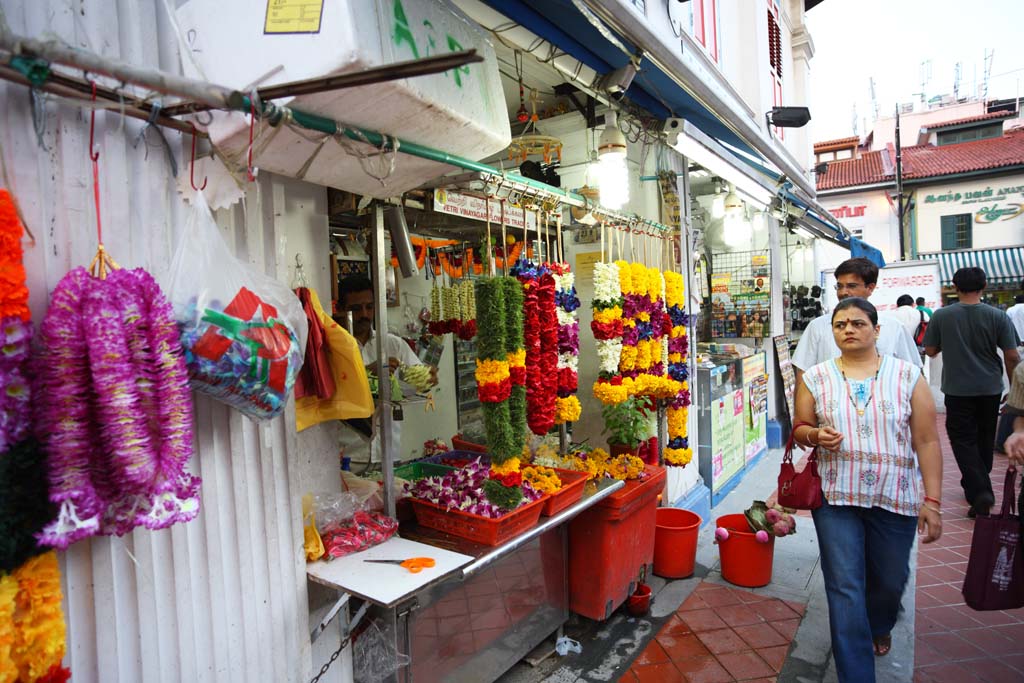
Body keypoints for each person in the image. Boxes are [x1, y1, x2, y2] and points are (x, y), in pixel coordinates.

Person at [794, 297, 942, 683]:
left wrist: (933, 500)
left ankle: (880, 623)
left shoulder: (908, 376)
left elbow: (926, 441)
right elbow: (800, 427)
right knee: (844, 587)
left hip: (895, 498)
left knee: (889, 581)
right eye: (841, 324)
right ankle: (856, 674)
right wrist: (813, 434)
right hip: (835, 498)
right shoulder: (816, 377)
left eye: (858, 323)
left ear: (877, 331)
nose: (848, 330)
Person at [923, 267, 1020, 517]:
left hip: (958, 389)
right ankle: (977, 485)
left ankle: (980, 490)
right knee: (985, 437)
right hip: (990, 388)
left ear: (955, 287)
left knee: (962, 440)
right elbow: (1011, 355)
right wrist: (1014, 388)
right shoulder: (997, 316)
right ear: (984, 285)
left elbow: (930, 350)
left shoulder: (942, 316)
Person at [338, 275, 437, 466]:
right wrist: (367, 372)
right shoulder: (335, 347)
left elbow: (423, 383)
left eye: (369, 306)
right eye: (356, 309)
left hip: (389, 453)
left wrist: (425, 377)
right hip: (349, 455)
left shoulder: (392, 343)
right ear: (342, 310)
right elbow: (333, 391)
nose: (364, 314)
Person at [792, 258, 921, 388]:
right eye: (839, 286)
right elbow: (803, 374)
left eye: (851, 286)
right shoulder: (818, 327)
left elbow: (912, 376)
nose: (843, 292)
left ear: (870, 288)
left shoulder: (893, 328)